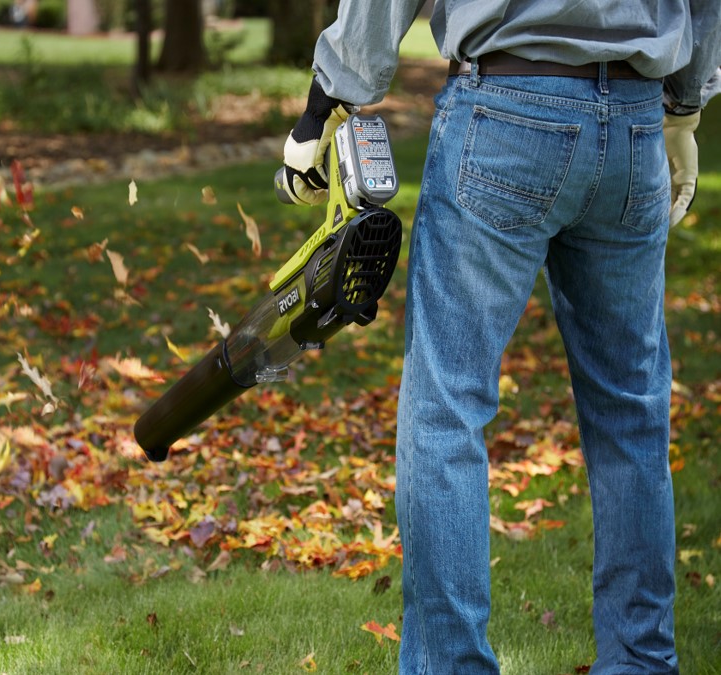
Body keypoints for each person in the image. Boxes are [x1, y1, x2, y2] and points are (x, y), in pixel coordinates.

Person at [279, 1, 720, 672]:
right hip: (635, 120)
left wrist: (327, 101)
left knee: (445, 409)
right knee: (632, 412)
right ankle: (640, 661)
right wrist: (684, 108)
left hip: (506, 108)